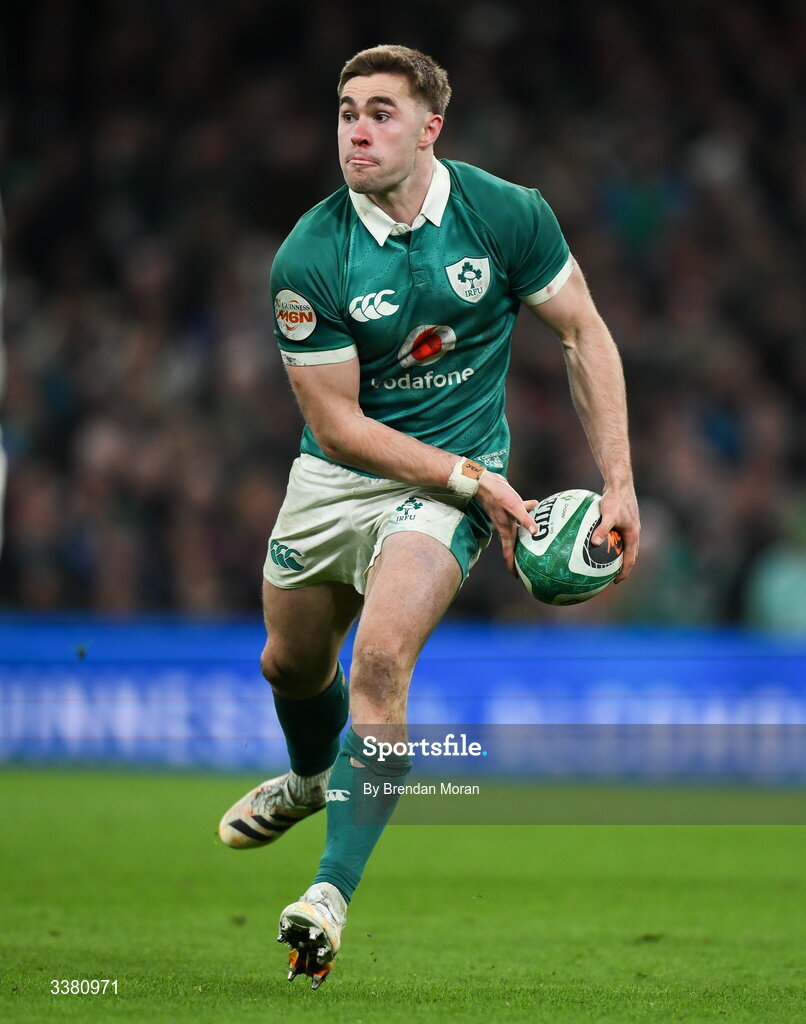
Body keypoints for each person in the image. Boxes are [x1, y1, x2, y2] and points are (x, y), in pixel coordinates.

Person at [218, 44, 640, 988]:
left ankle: (326, 897)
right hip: (337, 476)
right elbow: (336, 422)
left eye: (378, 112)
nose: (356, 130)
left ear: (428, 127)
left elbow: (583, 331)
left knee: (378, 661)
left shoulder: (505, 214)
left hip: (447, 491)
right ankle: (311, 778)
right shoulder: (310, 253)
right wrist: (461, 471)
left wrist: (618, 480)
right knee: (289, 663)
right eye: (344, 112)